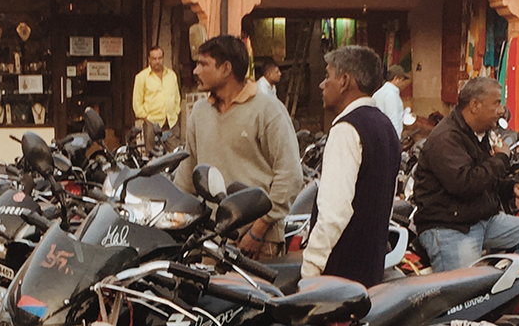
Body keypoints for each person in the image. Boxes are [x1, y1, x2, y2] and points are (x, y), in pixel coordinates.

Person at [174, 35, 303, 260]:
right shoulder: (199, 112)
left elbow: (290, 175)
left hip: (258, 243)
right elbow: (187, 174)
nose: (196, 71)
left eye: (203, 64)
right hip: (212, 239)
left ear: (226, 68)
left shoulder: (268, 110)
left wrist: (258, 230)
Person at [413, 76, 519, 272]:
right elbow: (466, 184)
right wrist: (502, 158)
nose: (501, 110)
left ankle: (510, 299)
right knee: (466, 294)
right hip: (450, 227)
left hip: (483, 219)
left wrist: (510, 187)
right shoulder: (446, 138)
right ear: (475, 105)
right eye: (496, 103)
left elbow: (485, 177)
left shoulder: (480, 133)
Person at [300, 46, 401, 288]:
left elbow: (334, 212)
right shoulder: (385, 126)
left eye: (328, 76)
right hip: (370, 267)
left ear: (345, 81)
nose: (322, 85)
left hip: (340, 273)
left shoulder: (346, 129)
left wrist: (310, 268)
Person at [132, 46, 181, 156]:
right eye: (154, 58)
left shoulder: (171, 75)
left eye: (159, 58)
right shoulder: (141, 77)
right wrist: (147, 117)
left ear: (163, 58)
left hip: (171, 123)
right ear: (149, 59)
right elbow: (137, 103)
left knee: (176, 155)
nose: (157, 61)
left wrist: (176, 112)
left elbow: (177, 97)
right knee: (154, 158)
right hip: (152, 123)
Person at [371, 63, 411, 137]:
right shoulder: (392, 95)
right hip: (388, 138)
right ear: (396, 79)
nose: (403, 84)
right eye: (402, 80)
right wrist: (395, 142)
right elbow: (394, 121)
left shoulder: (378, 93)